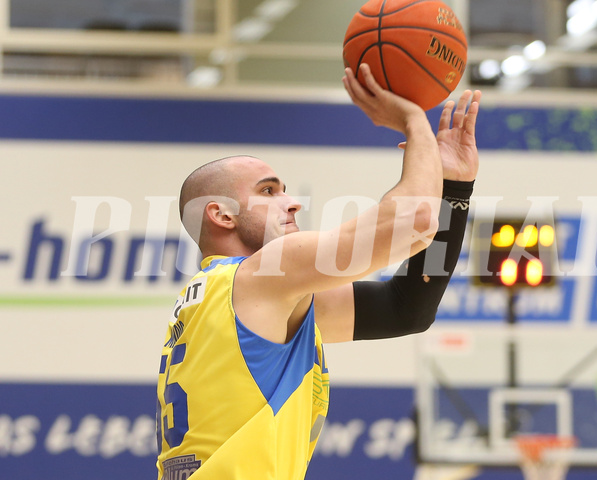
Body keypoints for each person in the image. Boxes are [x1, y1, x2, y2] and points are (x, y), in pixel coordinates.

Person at [155, 63, 481, 480]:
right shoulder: (262, 276)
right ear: (221, 215)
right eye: (269, 191)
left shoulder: (232, 296)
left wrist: (451, 188)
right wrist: (415, 121)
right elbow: (415, 221)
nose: (292, 203)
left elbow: (406, 309)